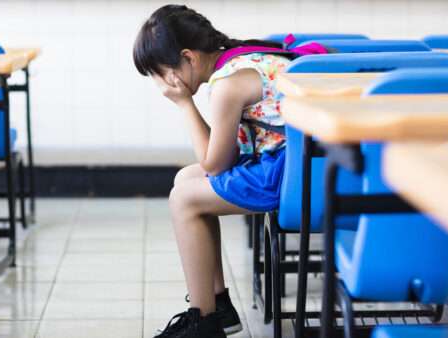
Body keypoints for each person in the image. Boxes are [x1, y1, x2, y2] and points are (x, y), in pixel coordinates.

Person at [133, 5, 326, 338]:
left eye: (160, 72)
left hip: (290, 172)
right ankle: (219, 306)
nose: (160, 84)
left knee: (183, 199)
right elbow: (223, 156)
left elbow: (215, 164)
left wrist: (184, 104)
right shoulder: (242, 56)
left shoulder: (227, 85)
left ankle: (203, 321)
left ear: (188, 58)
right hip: (305, 161)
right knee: (185, 180)